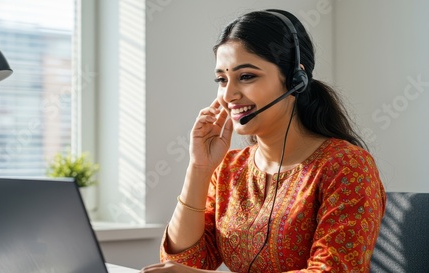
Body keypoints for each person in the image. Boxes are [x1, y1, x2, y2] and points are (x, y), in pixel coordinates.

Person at [141, 9, 386, 273]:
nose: (229, 94)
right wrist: (199, 169)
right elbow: (184, 263)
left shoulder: (346, 166)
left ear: (295, 79)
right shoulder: (229, 169)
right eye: (222, 80)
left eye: (246, 76)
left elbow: (334, 271)